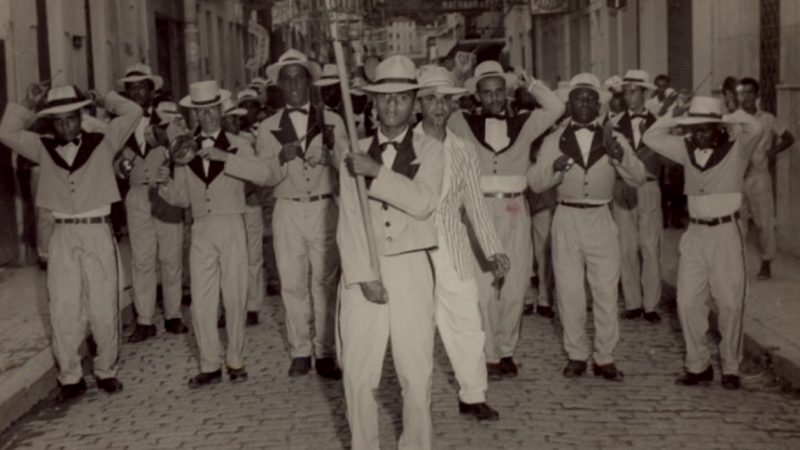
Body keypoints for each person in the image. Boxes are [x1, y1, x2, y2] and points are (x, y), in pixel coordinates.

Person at [0, 83, 143, 401]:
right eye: (58, 121)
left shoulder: (104, 141)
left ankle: (106, 370)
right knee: (62, 307)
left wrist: (104, 98)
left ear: (81, 117)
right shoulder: (41, 147)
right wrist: (28, 102)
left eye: (71, 119)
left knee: (103, 305)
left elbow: (133, 111)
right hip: (62, 233)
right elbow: (6, 131)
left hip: (97, 230)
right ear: (51, 123)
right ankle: (70, 377)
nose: (66, 126)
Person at [337, 54, 445, 450]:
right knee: (358, 374)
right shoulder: (354, 150)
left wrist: (376, 173)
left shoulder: (431, 151)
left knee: (415, 373)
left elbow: (422, 203)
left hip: (412, 267)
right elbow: (348, 219)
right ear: (372, 103)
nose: (392, 105)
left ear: (415, 103)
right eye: (384, 98)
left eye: (401, 97)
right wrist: (363, 275)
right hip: (362, 268)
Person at [448, 60, 565, 377]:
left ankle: (507, 350)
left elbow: (556, 107)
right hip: (477, 212)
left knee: (514, 284)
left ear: (507, 93)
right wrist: (458, 77)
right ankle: (488, 354)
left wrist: (530, 83)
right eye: (487, 93)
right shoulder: (461, 122)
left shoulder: (526, 123)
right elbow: (438, 103)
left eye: (499, 91)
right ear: (477, 96)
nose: (494, 98)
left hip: (515, 210)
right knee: (484, 287)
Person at [528, 73, 646, 381]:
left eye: (590, 99)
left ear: (599, 105)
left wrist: (619, 156)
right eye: (578, 98)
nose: (584, 103)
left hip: (600, 216)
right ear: (569, 104)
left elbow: (638, 177)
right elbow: (535, 180)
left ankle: (605, 357)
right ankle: (577, 354)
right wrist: (554, 169)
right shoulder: (555, 139)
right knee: (568, 290)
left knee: (606, 290)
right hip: (566, 217)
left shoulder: (614, 137)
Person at [643, 96, 763, 390]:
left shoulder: (738, 148)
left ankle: (731, 368)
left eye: (705, 129)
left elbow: (755, 128)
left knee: (730, 303)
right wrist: (675, 114)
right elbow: (652, 136)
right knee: (687, 301)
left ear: (718, 128)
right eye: (694, 129)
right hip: (695, 234)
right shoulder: (685, 149)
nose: (698, 135)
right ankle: (698, 365)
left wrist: (729, 113)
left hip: (725, 233)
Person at [158, 80, 271, 388]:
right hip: (202, 227)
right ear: (193, 115)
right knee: (202, 300)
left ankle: (236, 360)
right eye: (200, 112)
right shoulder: (184, 149)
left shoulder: (238, 144)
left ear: (221, 110)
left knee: (234, 294)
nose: (206, 117)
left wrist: (227, 159)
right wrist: (163, 184)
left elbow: (264, 175)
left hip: (233, 222)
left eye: (211, 110)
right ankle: (209, 364)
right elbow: (181, 196)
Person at [414, 65, 508, 420]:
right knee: (415, 326)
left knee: (468, 321)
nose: (439, 107)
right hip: (412, 248)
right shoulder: (404, 145)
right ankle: (415, 399)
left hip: (453, 245)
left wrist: (493, 249)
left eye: (445, 100)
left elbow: (476, 206)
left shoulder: (464, 151)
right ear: (418, 103)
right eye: (431, 99)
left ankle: (473, 395)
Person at [257, 50, 347, 379]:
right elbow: (263, 177)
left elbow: (349, 164)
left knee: (324, 280)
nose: (294, 84)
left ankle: (325, 351)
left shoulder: (332, 120)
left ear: (310, 81)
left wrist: (330, 156)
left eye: (300, 77)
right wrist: (280, 158)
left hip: (324, 207)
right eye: (288, 79)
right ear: (279, 85)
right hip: (287, 209)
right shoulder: (267, 127)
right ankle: (299, 349)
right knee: (292, 282)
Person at [115, 64, 188, 343]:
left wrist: (166, 140)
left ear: (151, 90)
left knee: (170, 257)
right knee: (142, 260)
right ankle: (144, 320)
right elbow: (112, 162)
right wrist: (120, 167)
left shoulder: (169, 118)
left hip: (165, 192)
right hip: (136, 194)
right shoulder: (119, 124)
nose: (136, 92)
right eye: (131, 88)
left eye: (141, 87)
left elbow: (184, 152)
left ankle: (173, 316)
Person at [610, 70, 665, 323]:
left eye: (634, 91)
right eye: (626, 91)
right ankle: (632, 302)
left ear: (645, 93)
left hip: (649, 187)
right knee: (625, 247)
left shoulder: (661, 124)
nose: (629, 96)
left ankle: (651, 305)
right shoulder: (612, 123)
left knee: (650, 247)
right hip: (621, 187)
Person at [736, 77, 795, 280]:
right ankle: (737, 265)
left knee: (764, 223)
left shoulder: (767, 119)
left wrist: (771, 152)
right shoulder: (734, 119)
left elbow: (789, 137)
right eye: (742, 93)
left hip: (760, 177)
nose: (746, 97)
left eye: (749, 92)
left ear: (757, 95)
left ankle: (766, 263)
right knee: (738, 223)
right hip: (737, 179)